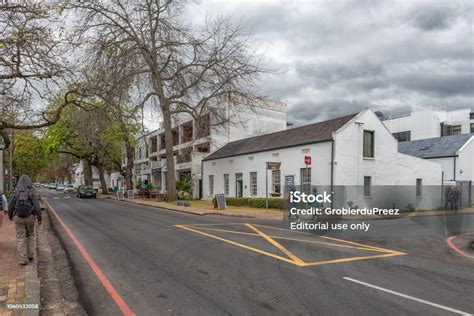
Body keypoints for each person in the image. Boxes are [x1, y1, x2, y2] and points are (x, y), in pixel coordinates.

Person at [7, 175, 42, 265]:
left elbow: (10, 206)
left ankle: (23, 259)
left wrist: (10, 216)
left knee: (21, 238)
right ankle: (30, 255)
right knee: (31, 235)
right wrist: (39, 218)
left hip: (18, 218)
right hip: (30, 217)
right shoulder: (31, 192)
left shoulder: (16, 192)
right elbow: (37, 207)